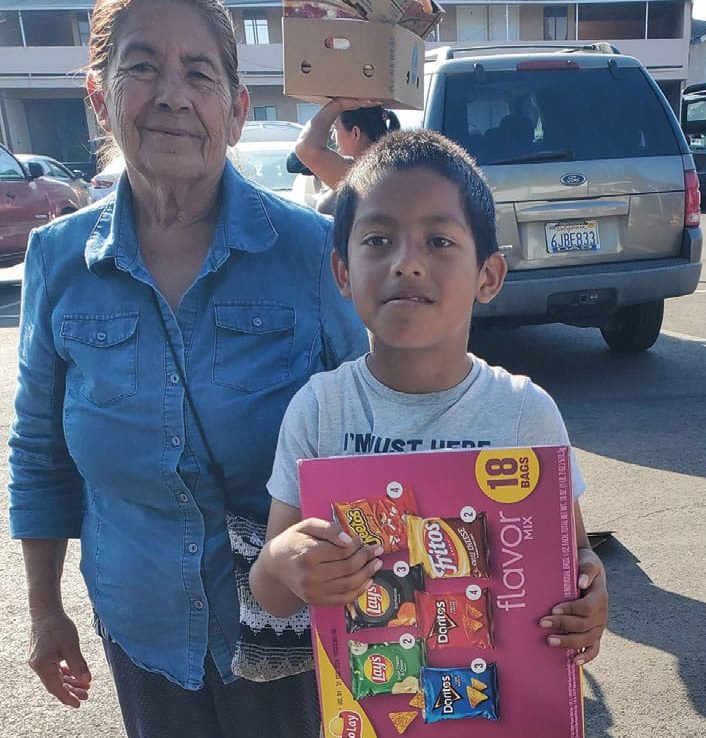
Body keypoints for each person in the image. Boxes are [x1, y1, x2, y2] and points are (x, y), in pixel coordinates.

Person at [7, 2, 367, 738]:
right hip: (142, 631)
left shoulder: (311, 252)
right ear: (100, 96)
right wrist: (46, 613)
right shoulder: (57, 261)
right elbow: (40, 455)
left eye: (198, 73)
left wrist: (548, 564)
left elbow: (386, 419)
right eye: (142, 66)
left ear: (235, 111)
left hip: (293, 626)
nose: (172, 93)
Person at [250, 130, 608, 667]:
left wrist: (590, 600)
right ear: (342, 273)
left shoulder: (525, 412)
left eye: (439, 241)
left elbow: (572, 561)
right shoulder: (320, 409)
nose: (407, 263)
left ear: (488, 275)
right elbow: (271, 595)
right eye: (377, 240)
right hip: (368, 703)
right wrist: (282, 561)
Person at [292, 99, 400, 215]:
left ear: (355, 133)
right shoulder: (390, 165)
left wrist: (338, 104)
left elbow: (305, 147)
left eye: (335, 128)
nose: (333, 137)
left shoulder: (362, 172)